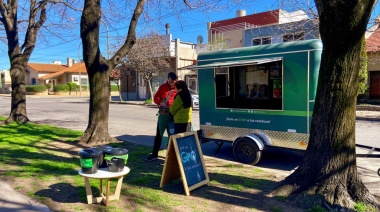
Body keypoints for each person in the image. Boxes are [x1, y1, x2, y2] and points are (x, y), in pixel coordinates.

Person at [146, 72, 177, 161]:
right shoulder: (162, 87)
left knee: (173, 135)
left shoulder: (177, 88)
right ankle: (154, 154)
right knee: (159, 134)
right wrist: (160, 102)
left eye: (174, 82)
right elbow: (156, 98)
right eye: (171, 81)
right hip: (163, 114)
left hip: (173, 115)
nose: (172, 83)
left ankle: (173, 155)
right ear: (168, 79)